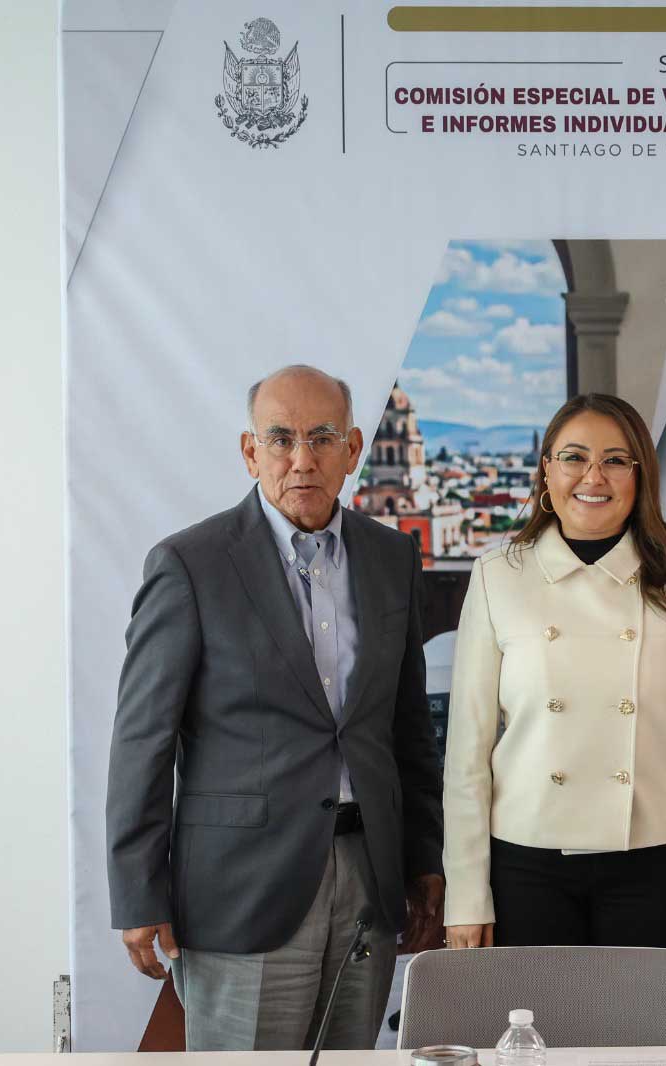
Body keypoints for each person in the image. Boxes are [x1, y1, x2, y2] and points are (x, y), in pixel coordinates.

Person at [105, 364, 444, 1050]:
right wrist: (138, 891)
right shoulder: (190, 564)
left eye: (322, 438)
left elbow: (407, 726)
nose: (302, 459)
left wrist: (424, 860)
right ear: (250, 451)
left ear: (352, 449)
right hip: (242, 888)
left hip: (369, 877)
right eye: (281, 438)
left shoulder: (391, 557)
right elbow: (144, 739)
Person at [441, 393, 666, 973]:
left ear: (640, 475)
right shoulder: (497, 576)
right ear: (546, 471)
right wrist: (466, 896)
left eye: (615, 460)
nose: (593, 476)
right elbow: (466, 755)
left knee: (647, 1028)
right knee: (533, 1027)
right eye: (574, 457)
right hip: (525, 866)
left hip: (656, 864)